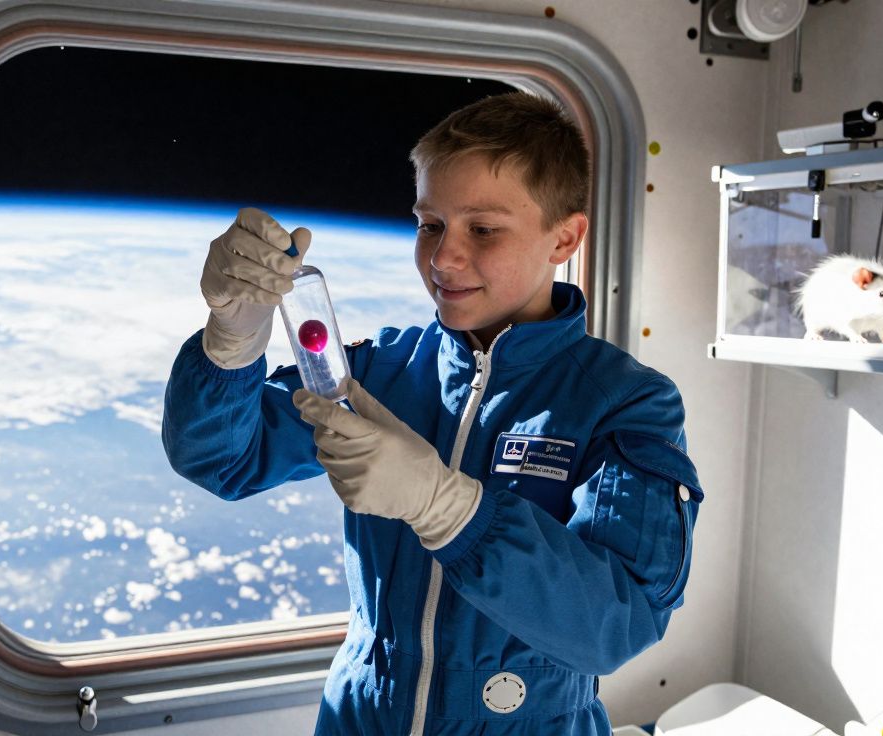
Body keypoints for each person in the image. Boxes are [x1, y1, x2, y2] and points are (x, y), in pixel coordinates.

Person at [162, 92, 703, 735]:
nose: (443, 258)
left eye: (483, 229)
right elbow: (222, 458)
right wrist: (233, 340)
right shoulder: (385, 371)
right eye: (429, 224)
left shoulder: (624, 401)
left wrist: (448, 509)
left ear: (565, 236)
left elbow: (615, 626)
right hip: (361, 716)